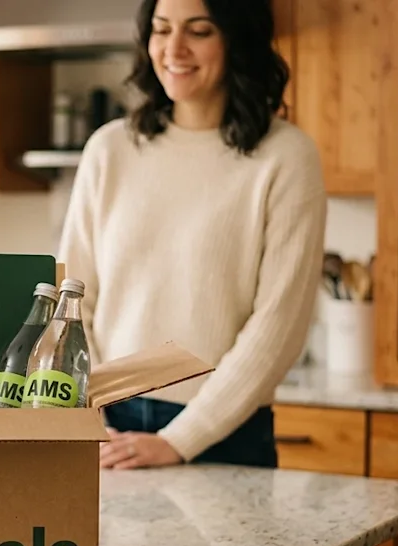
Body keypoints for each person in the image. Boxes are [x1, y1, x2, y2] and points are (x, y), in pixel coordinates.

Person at [56, 0, 327, 470]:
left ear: (236, 41)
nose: (174, 48)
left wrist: (181, 439)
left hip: (224, 434)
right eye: (162, 30)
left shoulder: (285, 157)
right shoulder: (110, 149)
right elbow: (72, 295)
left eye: (198, 31)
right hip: (109, 428)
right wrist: (91, 410)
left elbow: (278, 327)